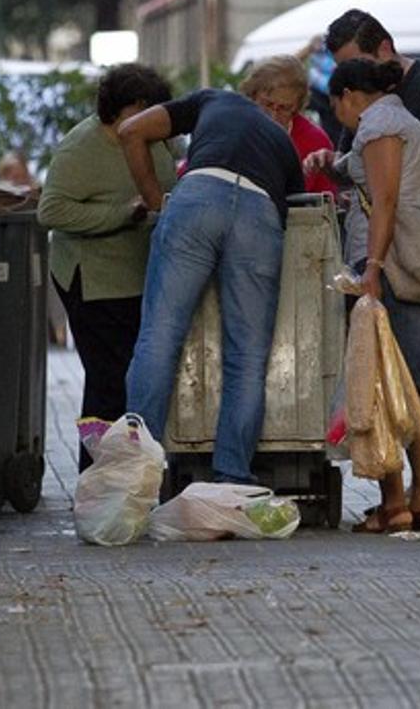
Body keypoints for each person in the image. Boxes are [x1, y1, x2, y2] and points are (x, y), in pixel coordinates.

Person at [320, 9, 420, 520]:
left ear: (384, 48)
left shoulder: (414, 103)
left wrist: (373, 261)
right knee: (417, 373)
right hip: (398, 257)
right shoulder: (379, 119)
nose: (355, 79)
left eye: (357, 68)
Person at [119, 87, 305, 484]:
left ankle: (137, 471)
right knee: (248, 359)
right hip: (260, 214)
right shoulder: (282, 141)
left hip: (197, 199)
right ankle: (233, 478)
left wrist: (155, 200)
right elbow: (295, 205)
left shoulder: (213, 100)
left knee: (159, 338)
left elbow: (131, 130)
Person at [316, 57, 420, 532]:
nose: (341, 119)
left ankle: (396, 502)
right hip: (413, 265)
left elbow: (387, 200)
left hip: (388, 268)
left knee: (382, 383)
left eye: (337, 108)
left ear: (348, 96)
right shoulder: (407, 121)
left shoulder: (377, 126)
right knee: (415, 384)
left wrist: (371, 267)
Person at [37, 64, 175, 471]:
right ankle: (96, 476)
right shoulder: (82, 148)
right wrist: (120, 214)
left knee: (134, 379)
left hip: (138, 278)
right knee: (107, 381)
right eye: (139, 111)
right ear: (115, 111)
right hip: (93, 282)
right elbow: (51, 210)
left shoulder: (155, 139)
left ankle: (131, 471)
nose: (148, 119)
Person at [240, 54, 339, 196]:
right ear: (253, 96)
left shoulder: (316, 141)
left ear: (297, 108)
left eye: (284, 108)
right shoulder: (238, 131)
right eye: (267, 104)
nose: (273, 116)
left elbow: (326, 205)